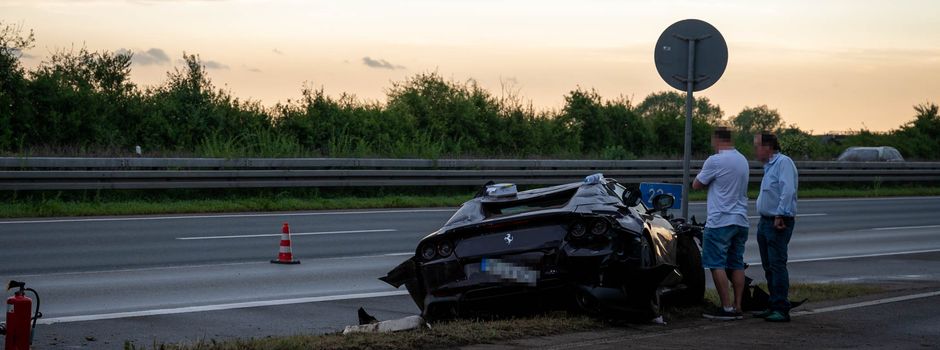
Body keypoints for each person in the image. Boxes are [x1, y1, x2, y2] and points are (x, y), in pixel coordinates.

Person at [693, 127, 750, 320]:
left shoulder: (715, 160)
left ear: (717, 139)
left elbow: (697, 184)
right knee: (736, 263)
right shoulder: (742, 160)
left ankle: (726, 308)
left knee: (715, 263)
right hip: (741, 220)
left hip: (720, 221)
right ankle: (738, 305)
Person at [752, 132, 798, 322]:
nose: (755, 151)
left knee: (777, 264)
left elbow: (788, 190)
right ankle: (773, 303)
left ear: (768, 147)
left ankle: (781, 308)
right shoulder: (769, 167)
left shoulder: (783, 163)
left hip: (778, 221)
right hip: (765, 221)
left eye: (757, 146)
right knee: (768, 265)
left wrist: (780, 214)